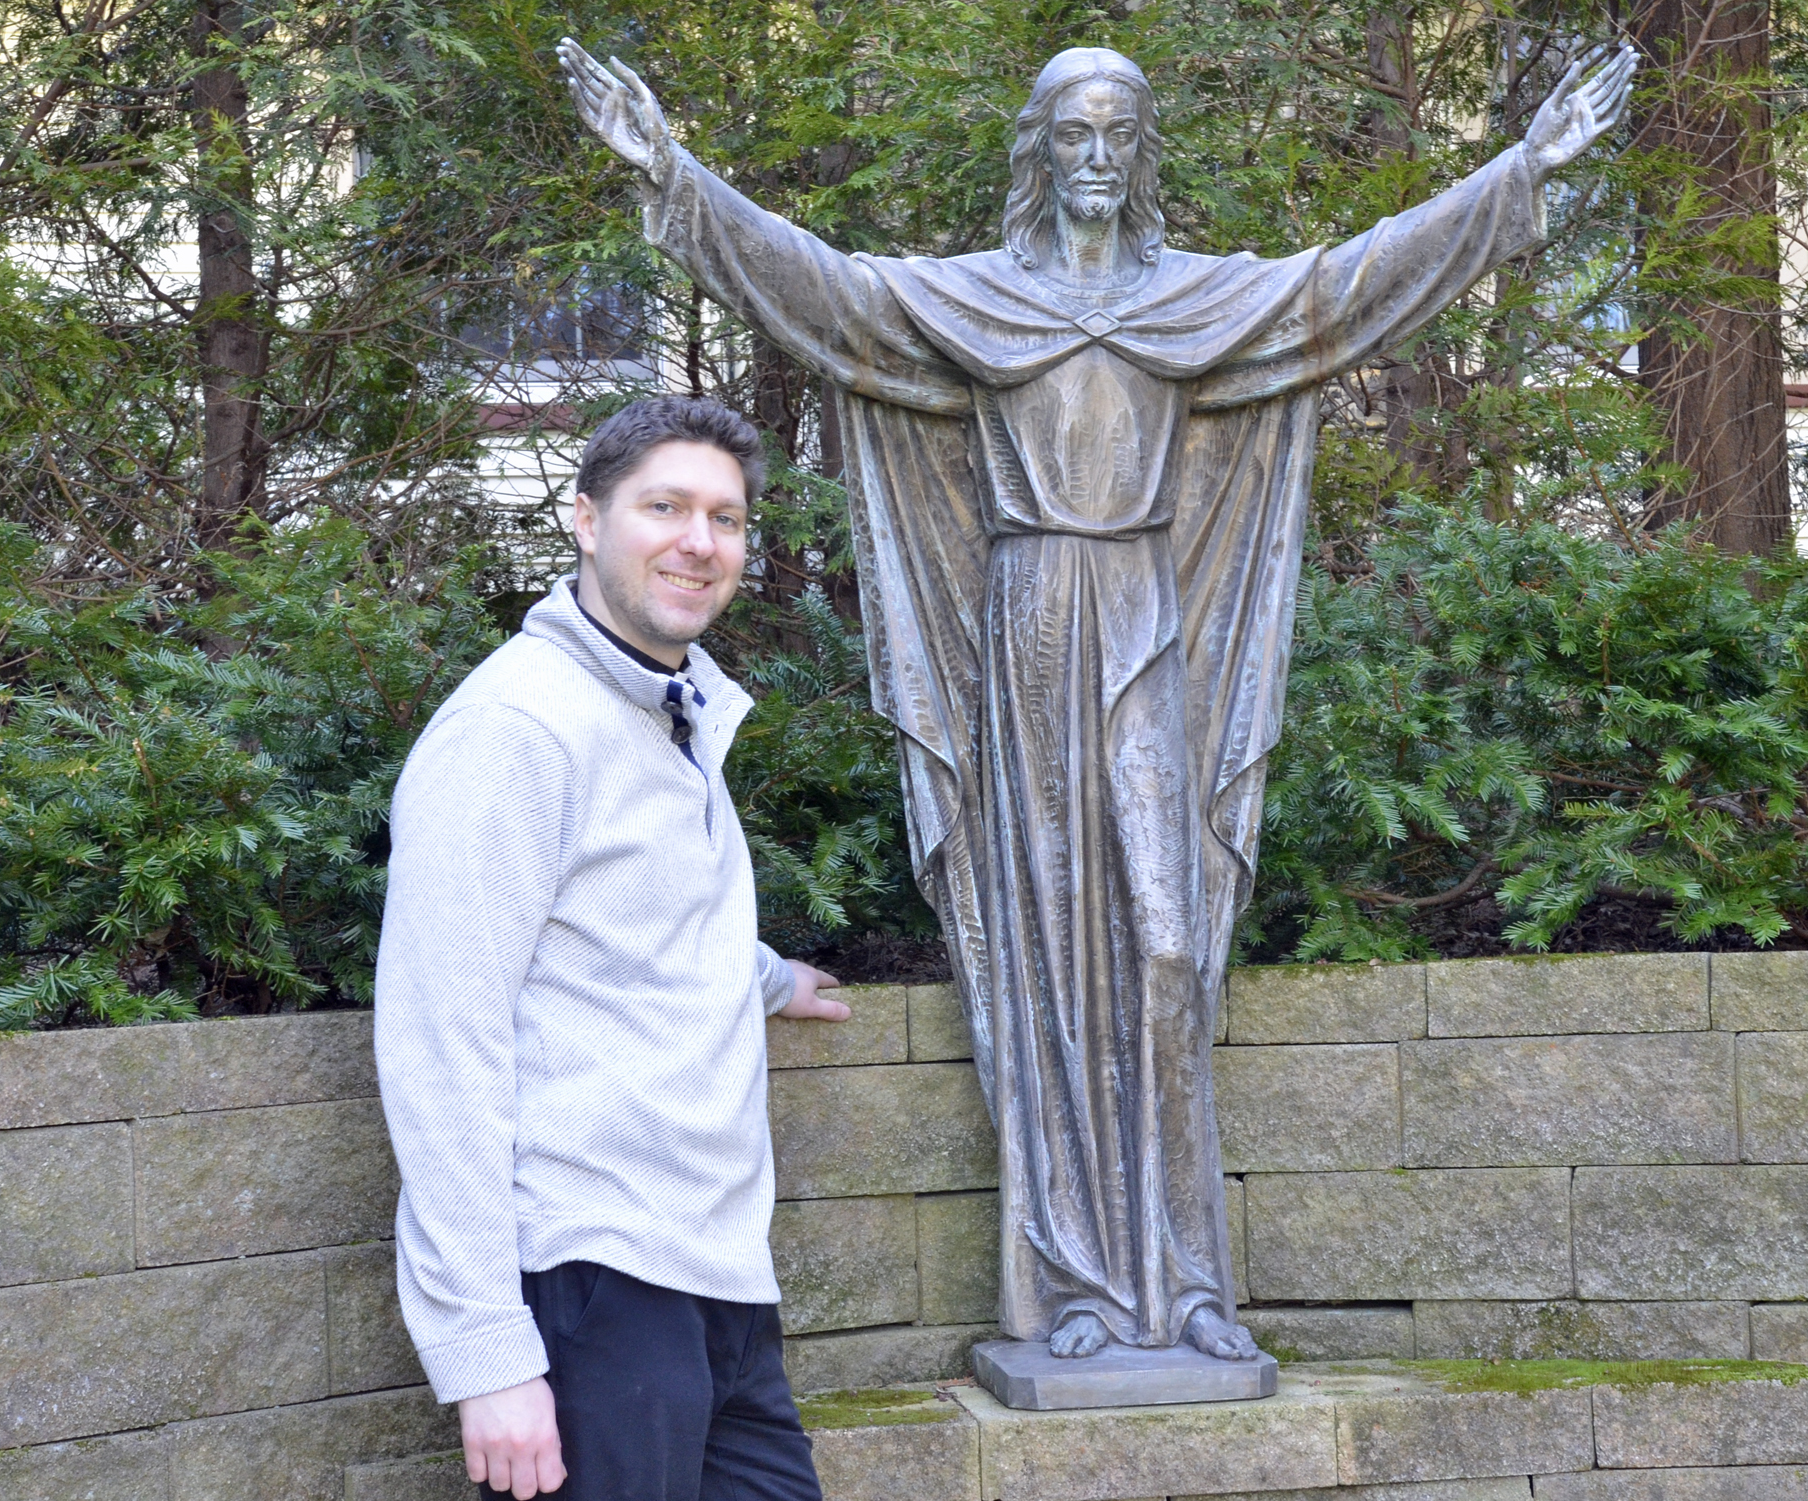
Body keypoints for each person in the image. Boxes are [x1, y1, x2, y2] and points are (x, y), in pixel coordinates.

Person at [559, 39, 1635, 1362]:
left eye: (1120, 132)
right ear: (1039, 149)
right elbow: (824, 290)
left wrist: (1523, 169)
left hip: (1144, 621)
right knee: (1052, 952)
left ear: (1143, 153)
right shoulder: (978, 300)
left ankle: (1185, 1283)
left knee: (1169, 947)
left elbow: (1354, 284)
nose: (1097, 155)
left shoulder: (1192, 299)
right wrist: (674, 172)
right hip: (1026, 637)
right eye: (1073, 131)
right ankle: (1074, 1283)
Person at [375, 394, 850, 1501]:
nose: (700, 541)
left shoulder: (667, 709)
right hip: (590, 1283)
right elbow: (442, 1039)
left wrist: (768, 978)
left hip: (717, 1279)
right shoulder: (516, 730)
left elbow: (641, 919)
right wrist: (487, 1352)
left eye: (725, 518)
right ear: (588, 521)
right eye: (665, 507)